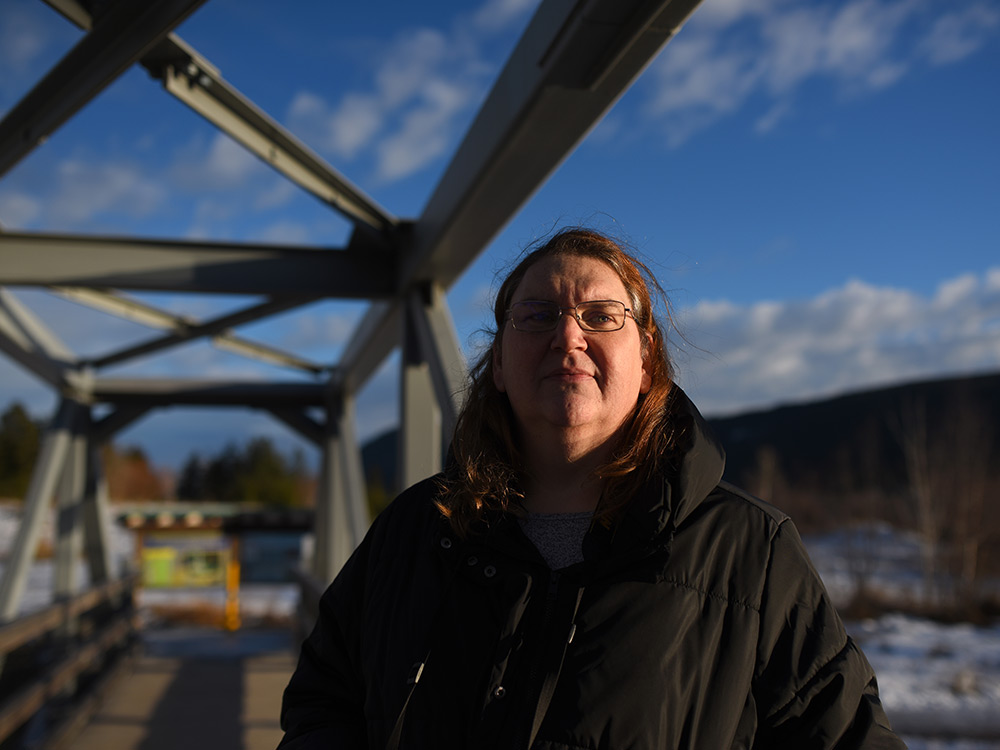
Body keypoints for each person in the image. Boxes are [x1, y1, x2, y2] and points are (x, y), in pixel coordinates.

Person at [278, 228, 905, 749]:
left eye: (601, 316)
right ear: (497, 363)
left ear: (647, 358)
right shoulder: (417, 527)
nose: (568, 336)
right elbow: (322, 701)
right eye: (538, 315)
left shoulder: (750, 553)